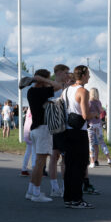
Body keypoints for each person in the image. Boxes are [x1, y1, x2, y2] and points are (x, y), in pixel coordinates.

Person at [24, 69, 66, 202]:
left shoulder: (31, 91)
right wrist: (44, 80)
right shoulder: (41, 91)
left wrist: (41, 80)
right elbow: (59, 86)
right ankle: (36, 193)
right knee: (40, 163)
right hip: (42, 129)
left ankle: (31, 191)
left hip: (35, 129)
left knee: (38, 162)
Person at [62, 65, 93, 209]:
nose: (90, 77)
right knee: (80, 166)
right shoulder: (83, 91)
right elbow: (85, 115)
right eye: (88, 74)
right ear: (84, 75)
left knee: (69, 166)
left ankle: (68, 197)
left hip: (67, 130)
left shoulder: (66, 90)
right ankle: (77, 199)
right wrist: (97, 114)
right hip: (79, 131)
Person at [48, 64, 71, 198]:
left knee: (62, 157)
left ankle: (63, 186)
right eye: (66, 73)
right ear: (59, 73)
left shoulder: (67, 88)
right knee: (55, 156)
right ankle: (55, 186)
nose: (68, 75)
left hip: (64, 125)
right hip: (56, 125)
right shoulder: (52, 87)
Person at [86, 87, 111, 168]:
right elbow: (101, 111)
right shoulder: (98, 102)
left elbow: (86, 113)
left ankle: (92, 161)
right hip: (98, 124)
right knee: (102, 142)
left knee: (91, 143)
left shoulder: (89, 102)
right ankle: (109, 159)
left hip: (91, 124)